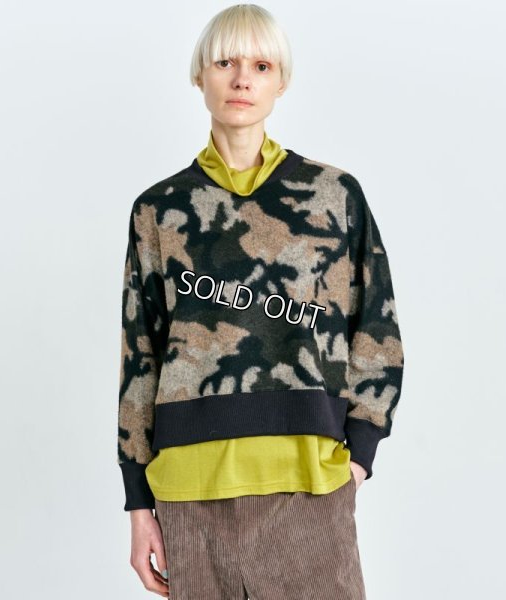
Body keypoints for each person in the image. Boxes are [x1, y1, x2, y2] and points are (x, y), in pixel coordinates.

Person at [117, 4, 404, 599]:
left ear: (281, 82)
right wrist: (139, 503)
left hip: (308, 483)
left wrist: (359, 454)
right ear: (200, 75)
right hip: (190, 491)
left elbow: (377, 327)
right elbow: (139, 356)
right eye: (225, 62)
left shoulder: (333, 196)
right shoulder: (158, 211)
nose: (242, 79)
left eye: (261, 65)